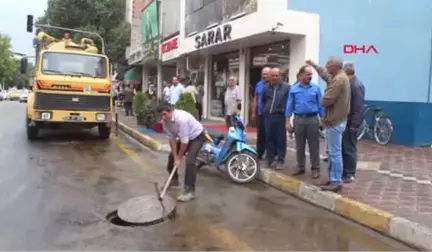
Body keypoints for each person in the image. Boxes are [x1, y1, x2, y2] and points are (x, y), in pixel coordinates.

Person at [306, 57, 350, 192]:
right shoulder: (338, 76)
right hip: (336, 120)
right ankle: (332, 178)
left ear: (335, 66)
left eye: (328, 64)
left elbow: (327, 101)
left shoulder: (339, 80)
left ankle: (336, 181)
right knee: (331, 152)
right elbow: (325, 75)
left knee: (334, 152)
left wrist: (317, 100)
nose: (326, 66)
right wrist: (314, 65)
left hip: (336, 121)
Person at [157, 103, 206, 202]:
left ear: (171, 111)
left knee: (190, 161)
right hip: (185, 138)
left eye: (165, 114)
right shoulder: (165, 121)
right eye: (161, 115)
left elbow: (184, 142)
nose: (163, 117)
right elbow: (172, 139)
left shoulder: (181, 119)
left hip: (197, 136)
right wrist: (175, 156)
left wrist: (179, 158)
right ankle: (174, 181)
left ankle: (189, 191)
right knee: (171, 157)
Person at [286, 65, 324, 179]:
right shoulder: (293, 89)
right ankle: (300, 166)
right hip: (299, 119)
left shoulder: (316, 88)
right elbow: (289, 106)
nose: (310, 76)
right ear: (301, 75)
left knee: (314, 145)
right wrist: (287, 122)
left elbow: (321, 105)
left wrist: (323, 120)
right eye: (308, 74)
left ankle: (315, 168)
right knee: (299, 145)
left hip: (312, 119)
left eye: (311, 74)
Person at [262, 68, 290, 170]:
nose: (274, 78)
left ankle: (280, 160)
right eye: (272, 76)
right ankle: (270, 159)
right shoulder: (266, 87)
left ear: (280, 76)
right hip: (268, 116)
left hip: (280, 116)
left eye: (276, 75)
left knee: (281, 139)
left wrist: (287, 116)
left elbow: (289, 102)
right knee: (269, 138)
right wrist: (266, 110)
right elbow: (264, 100)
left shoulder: (286, 87)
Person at [342, 63, 365, 183]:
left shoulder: (356, 86)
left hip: (351, 123)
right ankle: (345, 171)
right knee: (344, 147)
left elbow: (358, 108)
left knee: (349, 148)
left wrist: (354, 126)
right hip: (345, 121)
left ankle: (350, 173)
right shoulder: (350, 84)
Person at [251, 67, 271, 160]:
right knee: (260, 134)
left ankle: (270, 154)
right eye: (263, 74)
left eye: (266, 74)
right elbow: (255, 98)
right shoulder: (258, 84)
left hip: (270, 114)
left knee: (269, 134)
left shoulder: (272, 85)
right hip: (260, 113)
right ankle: (259, 153)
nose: (264, 76)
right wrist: (253, 112)